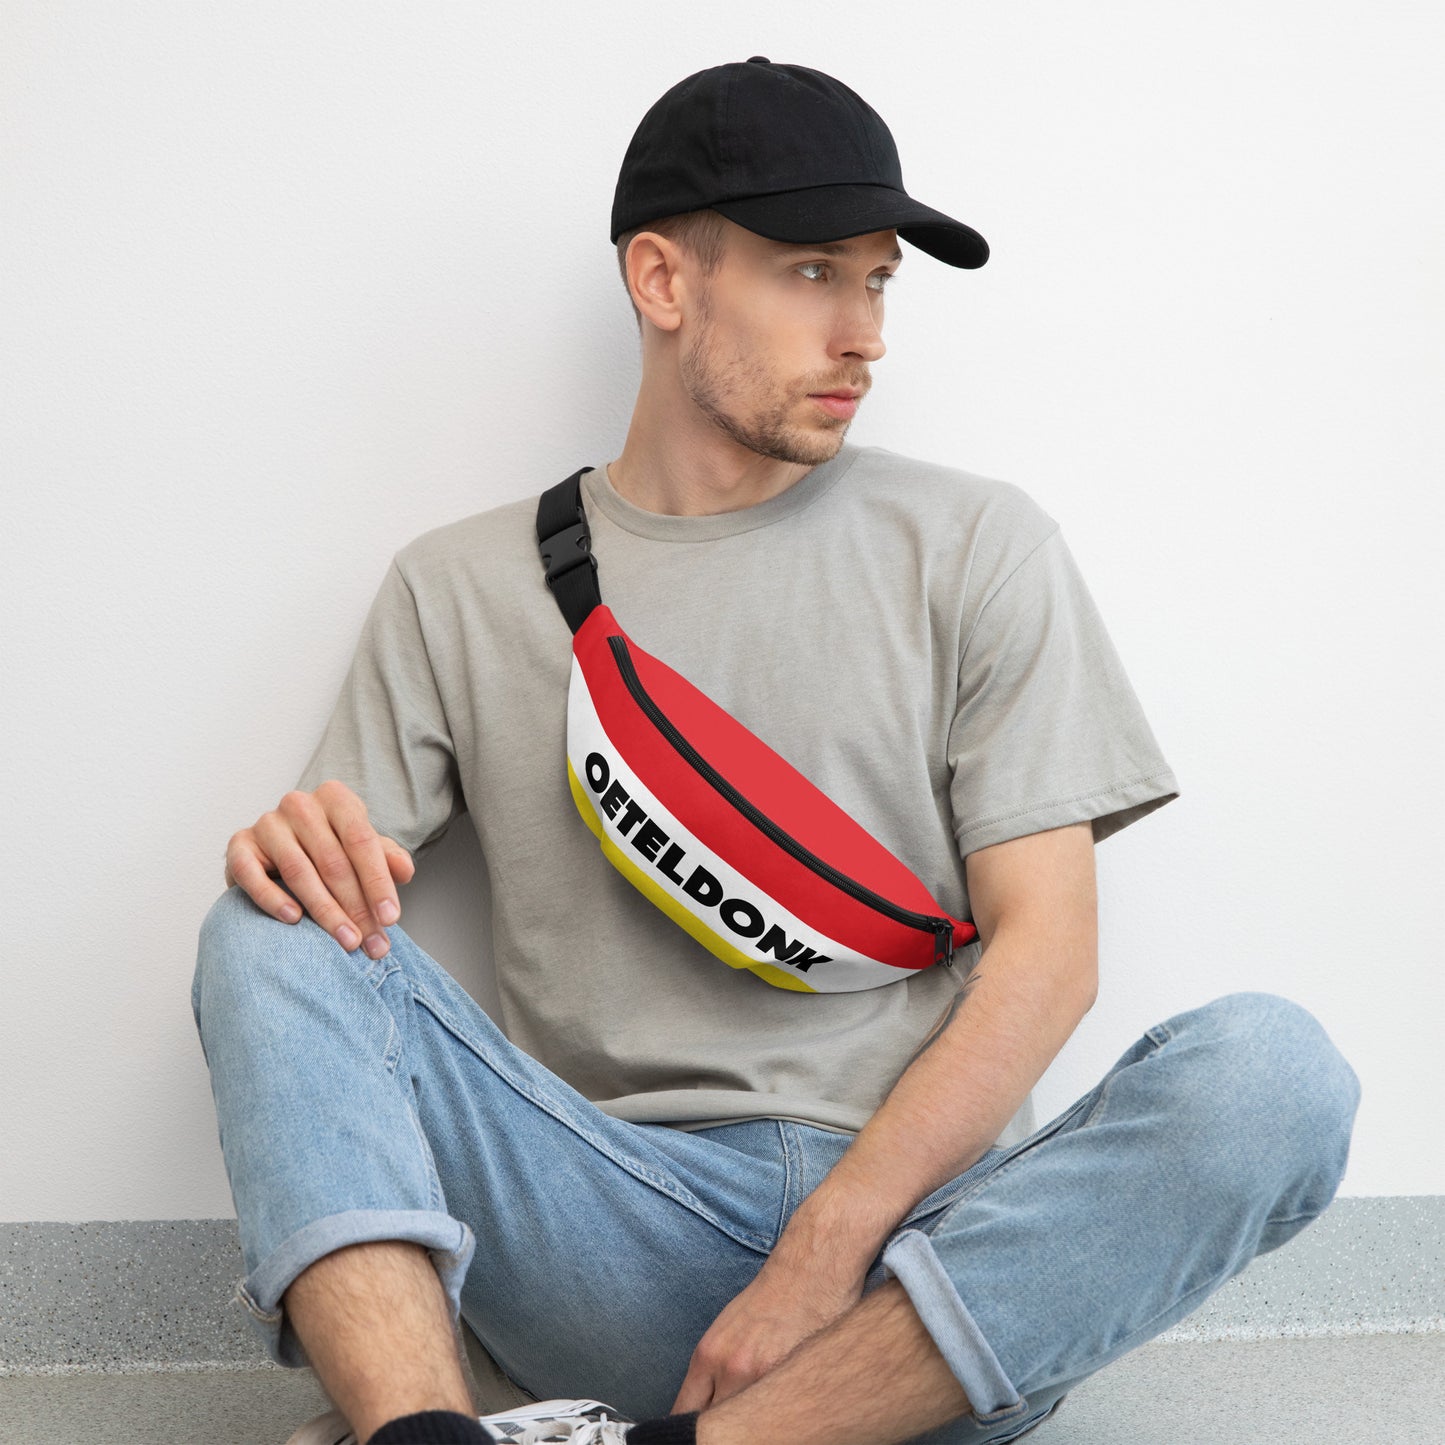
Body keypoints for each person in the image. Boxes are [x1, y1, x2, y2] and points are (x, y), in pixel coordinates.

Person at [192, 57, 1361, 1445]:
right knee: (265, 931)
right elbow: (337, 928)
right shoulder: (460, 583)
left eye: (879, 282)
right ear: (662, 280)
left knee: (1274, 1074)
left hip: (921, 1286)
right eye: (814, 273)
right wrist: (295, 856)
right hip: (612, 1226)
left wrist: (822, 1252)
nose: (864, 335)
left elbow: (1048, 955)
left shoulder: (976, 547)